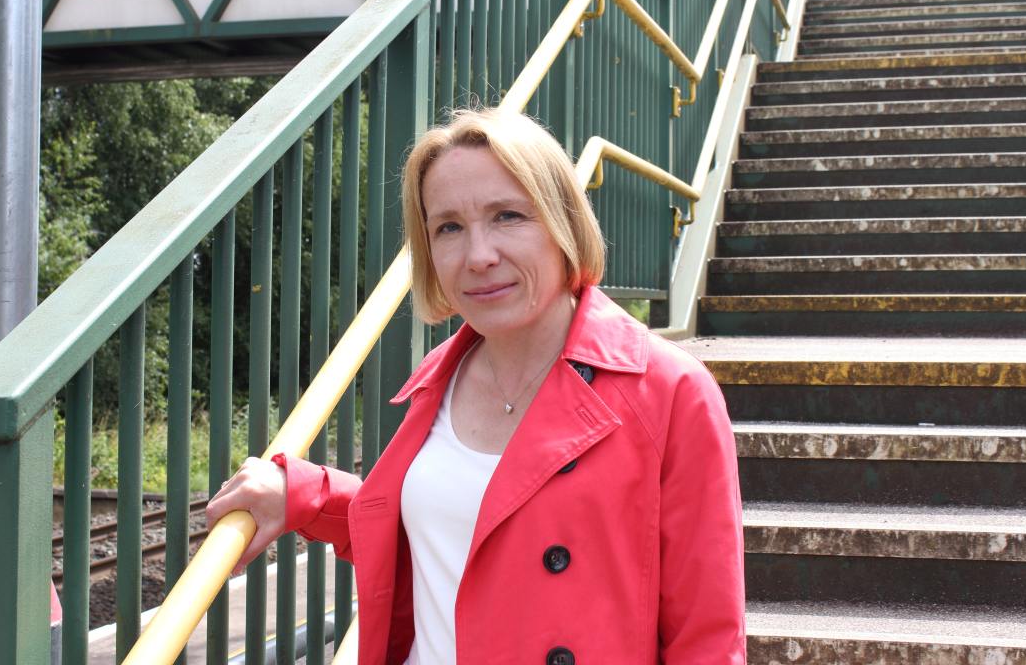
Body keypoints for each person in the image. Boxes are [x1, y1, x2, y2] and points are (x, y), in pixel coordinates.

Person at [206, 109, 745, 664]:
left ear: (564, 224)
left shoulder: (669, 392)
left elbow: (707, 642)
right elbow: (448, 529)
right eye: (449, 228)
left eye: (508, 216)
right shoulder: (439, 380)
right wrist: (307, 494)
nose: (479, 256)